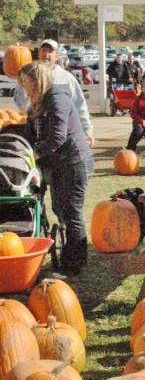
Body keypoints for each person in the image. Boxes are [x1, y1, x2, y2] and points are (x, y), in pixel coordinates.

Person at [19, 61, 94, 276]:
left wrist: (34, 154)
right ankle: (69, 255)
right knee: (59, 209)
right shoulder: (37, 102)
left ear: (36, 80)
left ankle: (74, 265)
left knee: (72, 211)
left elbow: (58, 137)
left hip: (73, 161)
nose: (22, 86)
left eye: (25, 81)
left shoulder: (57, 98)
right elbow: (30, 133)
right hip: (57, 163)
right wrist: (21, 147)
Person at [14, 39, 94, 149]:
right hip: (38, 133)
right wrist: (22, 83)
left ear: (56, 56)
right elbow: (22, 105)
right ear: (39, 54)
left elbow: (79, 104)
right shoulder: (30, 76)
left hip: (63, 134)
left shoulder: (66, 78)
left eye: (50, 51)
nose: (46, 54)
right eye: (43, 50)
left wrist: (87, 130)